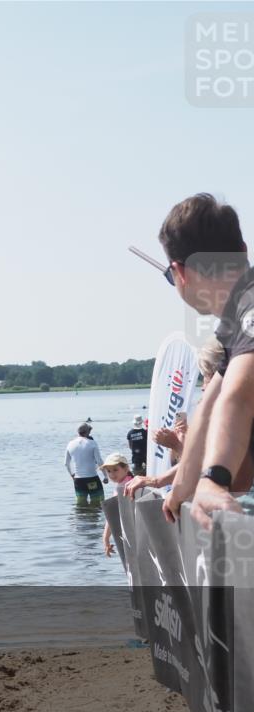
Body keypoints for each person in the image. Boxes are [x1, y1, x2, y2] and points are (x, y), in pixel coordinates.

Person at [145, 194, 254, 527]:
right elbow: (210, 405)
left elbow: (239, 394)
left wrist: (213, 480)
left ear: (180, 272)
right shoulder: (236, 321)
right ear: (243, 250)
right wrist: (179, 492)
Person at [99, 453, 134, 557]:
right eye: (108, 471)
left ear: (126, 468)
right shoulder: (131, 481)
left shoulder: (123, 487)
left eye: (115, 469)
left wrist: (105, 537)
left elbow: (112, 515)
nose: (112, 474)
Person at [64, 422, 105, 505]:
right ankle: (93, 516)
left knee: (81, 503)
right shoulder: (92, 443)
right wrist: (105, 476)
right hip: (92, 478)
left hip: (78, 480)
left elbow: (66, 463)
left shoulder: (70, 444)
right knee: (97, 502)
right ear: (88, 432)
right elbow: (99, 461)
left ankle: (82, 517)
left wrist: (72, 474)